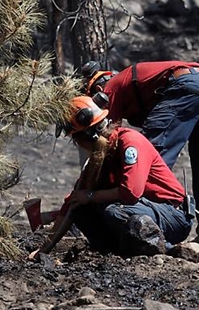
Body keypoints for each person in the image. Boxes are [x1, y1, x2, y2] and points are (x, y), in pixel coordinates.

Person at [27, 95, 194, 261]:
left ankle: (165, 248)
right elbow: (71, 205)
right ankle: (119, 251)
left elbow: (130, 192)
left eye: (77, 139)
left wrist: (91, 196)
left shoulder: (130, 142)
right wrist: (44, 250)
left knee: (114, 211)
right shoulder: (99, 158)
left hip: (172, 216)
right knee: (82, 210)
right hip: (140, 212)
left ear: (87, 136)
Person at [82, 60, 199, 237]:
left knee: (149, 157)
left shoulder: (110, 90)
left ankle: (156, 222)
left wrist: (91, 192)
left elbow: (106, 141)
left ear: (98, 91)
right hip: (193, 81)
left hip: (185, 87)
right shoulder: (129, 83)